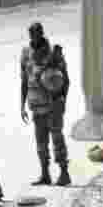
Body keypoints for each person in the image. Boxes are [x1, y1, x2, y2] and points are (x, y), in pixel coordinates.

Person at [20, 22, 70, 186]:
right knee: (41, 143)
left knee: (57, 140)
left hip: (53, 105)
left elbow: (65, 79)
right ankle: (45, 174)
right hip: (36, 106)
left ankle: (64, 173)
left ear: (42, 33)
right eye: (32, 33)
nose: (34, 37)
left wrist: (62, 100)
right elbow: (24, 81)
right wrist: (22, 106)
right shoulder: (26, 54)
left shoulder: (54, 54)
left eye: (37, 33)